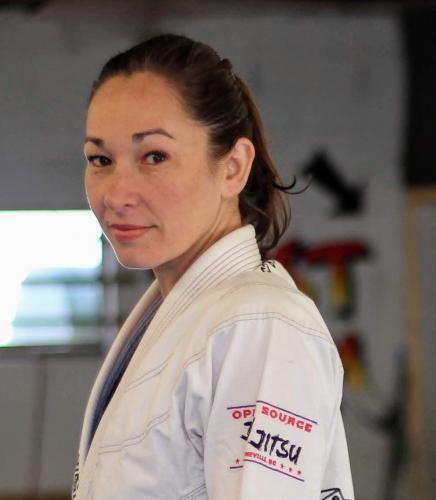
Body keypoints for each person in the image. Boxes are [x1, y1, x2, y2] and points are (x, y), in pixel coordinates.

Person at [72, 33, 354, 500]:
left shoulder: (257, 325)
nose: (116, 194)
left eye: (155, 156)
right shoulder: (185, 317)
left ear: (233, 167)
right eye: (100, 159)